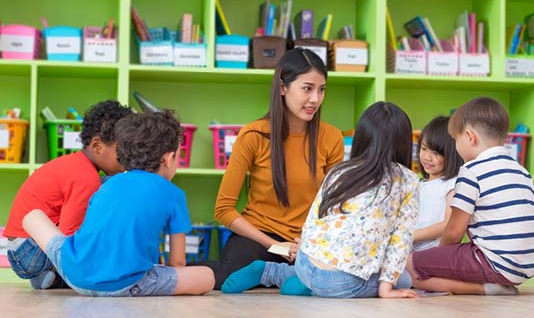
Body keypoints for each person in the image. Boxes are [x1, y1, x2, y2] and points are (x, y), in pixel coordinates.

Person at [221, 101, 419, 299]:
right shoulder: (407, 180)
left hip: (307, 263)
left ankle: (274, 273)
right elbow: (400, 239)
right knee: (403, 279)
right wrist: (386, 290)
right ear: (403, 143)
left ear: (362, 137)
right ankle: (310, 286)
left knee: (331, 270)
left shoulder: (341, 171)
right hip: (341, 282)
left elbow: (317, 216)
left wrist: (304, 249)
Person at [21, 110, 215, 296]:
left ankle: (49, 276)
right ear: (169, 158)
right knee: (207, 276)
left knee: (33, 217)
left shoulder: (106, 183)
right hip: (126, 284)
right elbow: (178, 263)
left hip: (75, 274)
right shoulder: (174, 194)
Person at [405, 96, 534, 296]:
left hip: (494, 264)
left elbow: (454, 230)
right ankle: (496, 285)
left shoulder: (471, 171)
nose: (457, 148)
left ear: (469, 137)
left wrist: (441, 257)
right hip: (526, 268)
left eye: (456, 140)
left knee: (410, 267)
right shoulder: (521, 171)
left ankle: (486, 289)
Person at [205, 48, 344, 289]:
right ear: (282, 88)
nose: (315, 99)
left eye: (321, 90)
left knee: (338, 272)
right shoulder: (253, 135)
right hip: (258, 239)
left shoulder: (331, 138)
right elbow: (224, 209)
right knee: (231, 273)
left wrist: (311, 243)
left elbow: (333, 207)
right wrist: (275, 246)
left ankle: (289, 278)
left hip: (307, 242)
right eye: (307, 88)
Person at [3, 100, 132, 289]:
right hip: (29, 252)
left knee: (111, 184)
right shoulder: (86, 178)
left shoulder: (77, 164)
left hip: (21, 249)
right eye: (122, 153)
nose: (127, 161)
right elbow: (68, 236)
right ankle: (60, 275)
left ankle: (48, 277)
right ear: (97, 146)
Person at [413, 116, 463, 252]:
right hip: (411, 249)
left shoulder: (452, 184)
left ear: (452, 155)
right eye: (424, 149)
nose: (427, 157)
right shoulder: (419, 184)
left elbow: (449, 224)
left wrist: (412, 236)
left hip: (433, 251)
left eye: (435, 153)